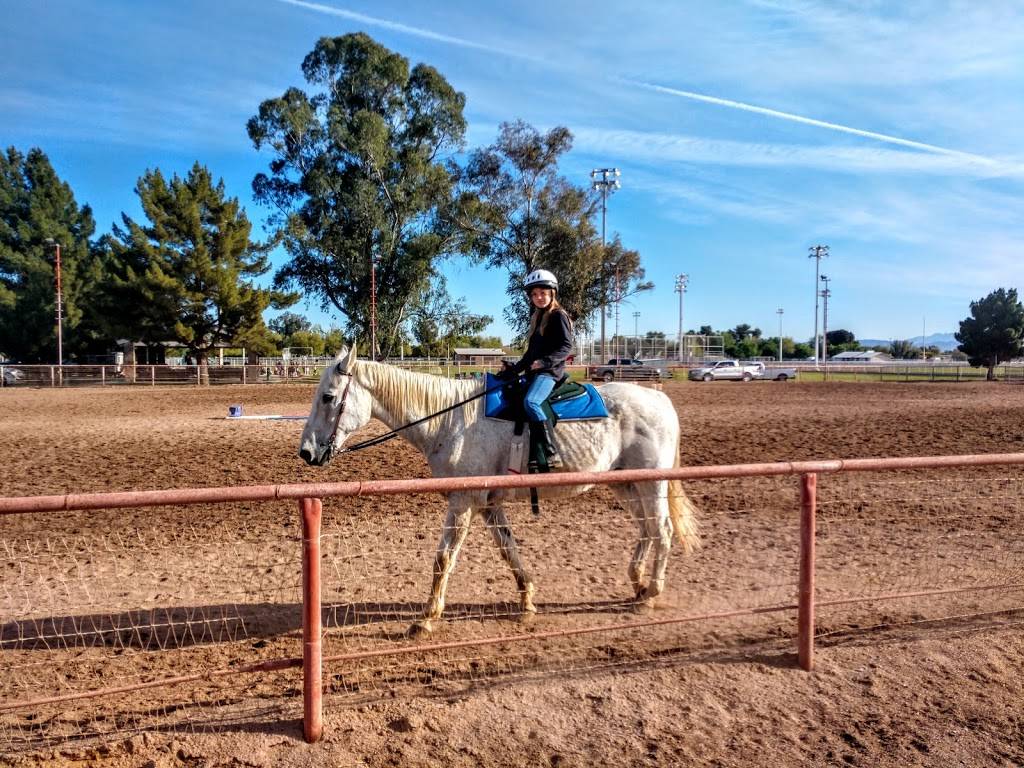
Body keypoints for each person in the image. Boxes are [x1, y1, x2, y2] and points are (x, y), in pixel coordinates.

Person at [500, 269, 573, 470]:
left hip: (549, 373)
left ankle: (551, 452)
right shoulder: (537, 318)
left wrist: (545, 362)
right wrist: (513, 370)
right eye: (534, 294)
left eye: (543, 293)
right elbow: (530, 355)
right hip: (537, 372)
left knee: (531, 402)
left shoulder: (558, 316)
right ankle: (530, 452)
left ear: (552, 293)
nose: (538, 297)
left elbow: (566, 347)